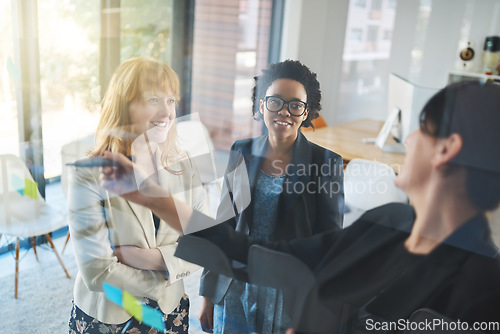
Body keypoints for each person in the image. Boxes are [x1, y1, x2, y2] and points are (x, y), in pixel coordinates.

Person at [101, 81, 500, 333]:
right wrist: (147, 195)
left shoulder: (483, 290)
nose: (408, 138)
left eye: (422, 128)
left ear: (447, 150)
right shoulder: (388, 223)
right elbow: (253, 254)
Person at [196, 60, 344, 333]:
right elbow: (223, 223)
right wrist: (207, 294)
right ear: (262, 105)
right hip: (236, 287)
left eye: (295, 105)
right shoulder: (242, 150)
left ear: (306, 112)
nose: (284, 112)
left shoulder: (325, 163)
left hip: (288, 296)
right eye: (275, 101)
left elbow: (329, 245)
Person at [67, 57, 208, 334]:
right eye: (154, 99)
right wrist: (164, 279)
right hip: (109, 317)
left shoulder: (183, 164)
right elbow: (97, 272)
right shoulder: (88, 174)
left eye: (171, 101)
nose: (167, 112)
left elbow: (206, 243)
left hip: (171, 312)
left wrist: (151, 259)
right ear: (124, 104)